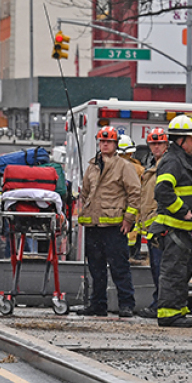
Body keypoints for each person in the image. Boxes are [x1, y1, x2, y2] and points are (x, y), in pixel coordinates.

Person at [77, 126, 141, 317]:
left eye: (109, 142)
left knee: (119, 267)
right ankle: (97, 304)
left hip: (115, 226)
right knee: (96, 269)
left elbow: (135, 194)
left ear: (115, 144)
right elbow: (85, 192)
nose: (105, 145)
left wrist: (129, 219)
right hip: (94, 225)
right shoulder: (92, 166)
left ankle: (126, 304)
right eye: (102, 141)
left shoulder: (124, 166)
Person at [149, 115, 192, 328]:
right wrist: (183, 212)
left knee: (182, 271)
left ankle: (178, 310)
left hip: (183, 230)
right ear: (181, 140)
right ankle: (168, 315)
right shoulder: (173, 161)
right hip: (174, 227)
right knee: (173, 271)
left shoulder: (184, 159)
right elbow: (162, 190)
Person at [134, 128, 167, 318]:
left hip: (161, 226)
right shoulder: (151, 166)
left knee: (160, 267)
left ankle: (160, 304)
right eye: (153, 144)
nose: (156, 147)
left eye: (159, 143)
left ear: (166, 145)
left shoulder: (165, 166)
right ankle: (158, 302)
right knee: (155, 267)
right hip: (152, 227)